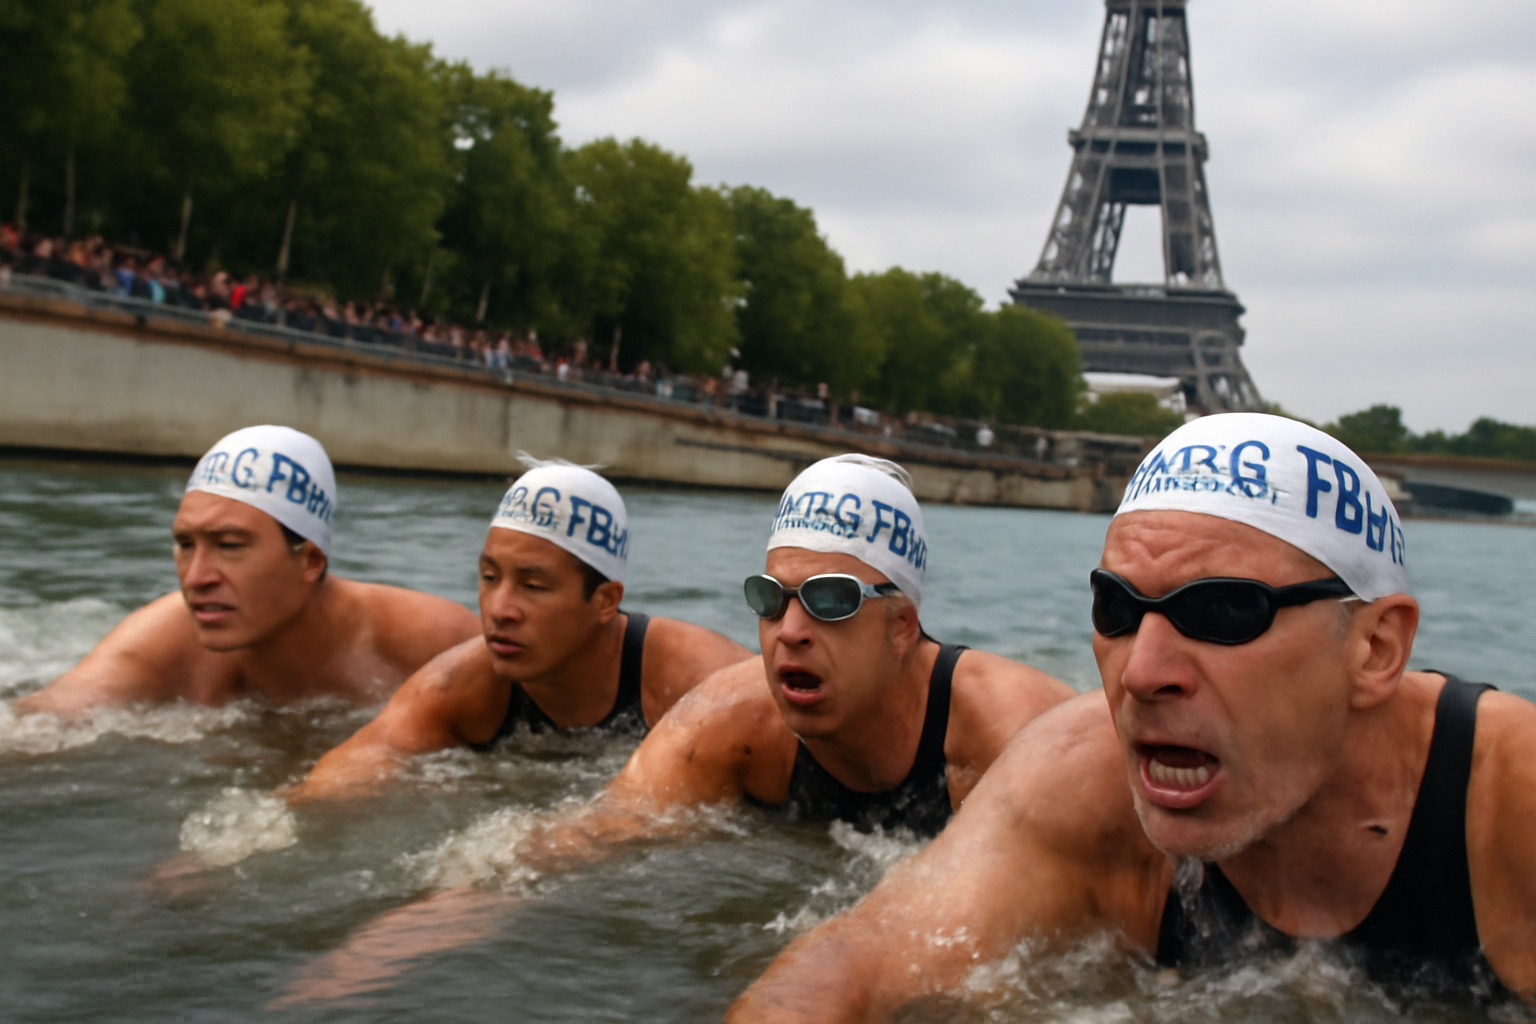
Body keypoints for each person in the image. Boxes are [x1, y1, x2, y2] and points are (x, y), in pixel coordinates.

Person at [730, 414, 1536, 1022]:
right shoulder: (1080, 777)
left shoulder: (1513, 807)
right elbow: (850, 966)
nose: (1142, 674)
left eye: (1223, 612)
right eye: (1117, 608)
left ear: (1375, 648)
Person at [276, 454, 1073, 1004]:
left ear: (902, 626)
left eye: (831, 601)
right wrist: (381, 950)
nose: (791, 631)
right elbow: (581, 841)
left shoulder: (1010, 736)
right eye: (771, 599)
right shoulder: (736, 722)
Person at [285, 457, 752, 802]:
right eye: (490, 578)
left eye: (533, 586)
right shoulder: (459, 687)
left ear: (605, 601)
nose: (499, 609)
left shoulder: (694, 679)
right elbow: (340, 779)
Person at [14, 426, 480, 715]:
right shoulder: (163, 641)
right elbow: (42, 722)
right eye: (185, 545)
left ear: (310, 561)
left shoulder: (430, 642)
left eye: (229, 546)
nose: (196, 577)